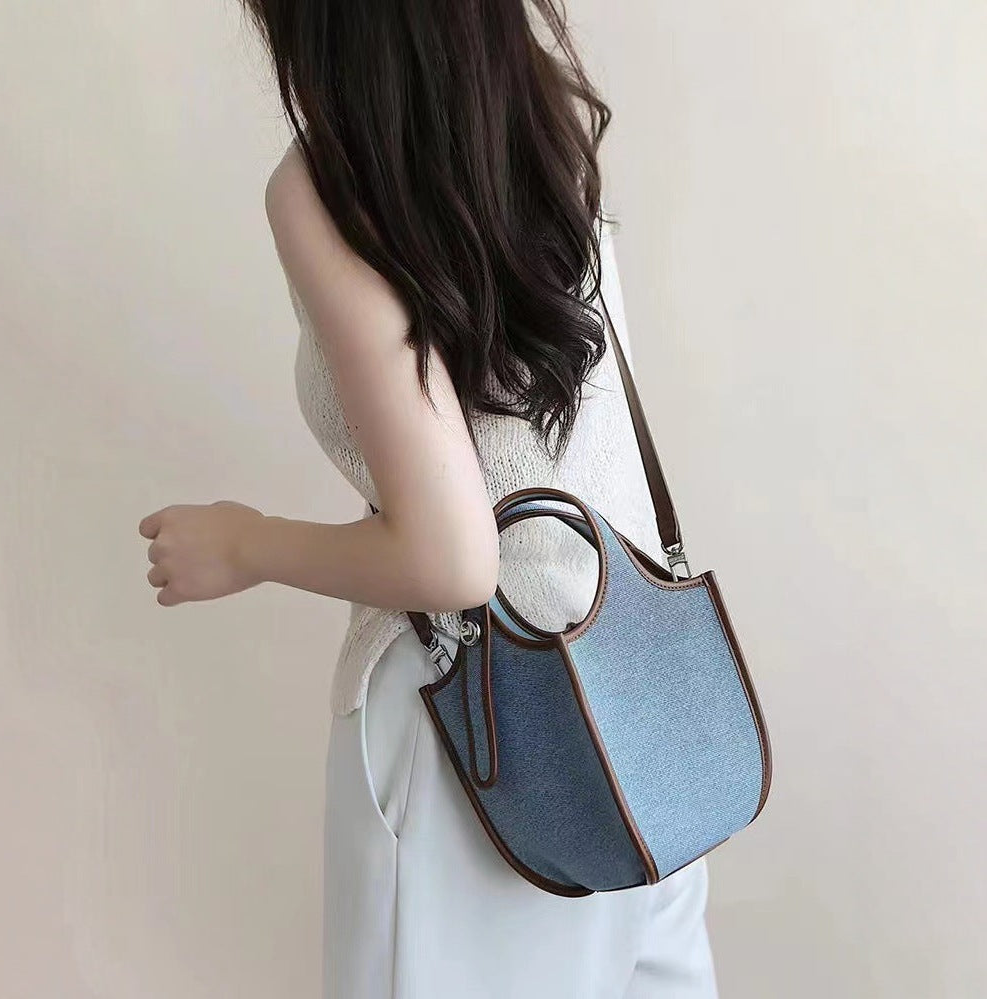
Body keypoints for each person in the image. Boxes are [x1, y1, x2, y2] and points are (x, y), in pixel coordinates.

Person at [138, 1, 719, 995]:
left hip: (483, 740)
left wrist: (245, 544)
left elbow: (450, 560)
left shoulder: (332, 186)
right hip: (641, 709)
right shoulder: (540, 114)